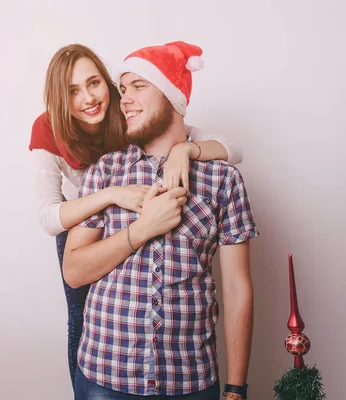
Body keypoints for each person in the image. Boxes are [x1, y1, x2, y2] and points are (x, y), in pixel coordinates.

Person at [28, 43, 244, 390]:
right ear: (59, 100)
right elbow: (49, 218)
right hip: (77, 216)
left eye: (94, 82)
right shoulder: (52, 129)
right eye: (72, 91)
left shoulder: (125, 110)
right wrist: (113, 197)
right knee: (79, 319)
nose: (88, 97)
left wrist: (184, 150)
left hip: (188, 371)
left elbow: (230, 148)